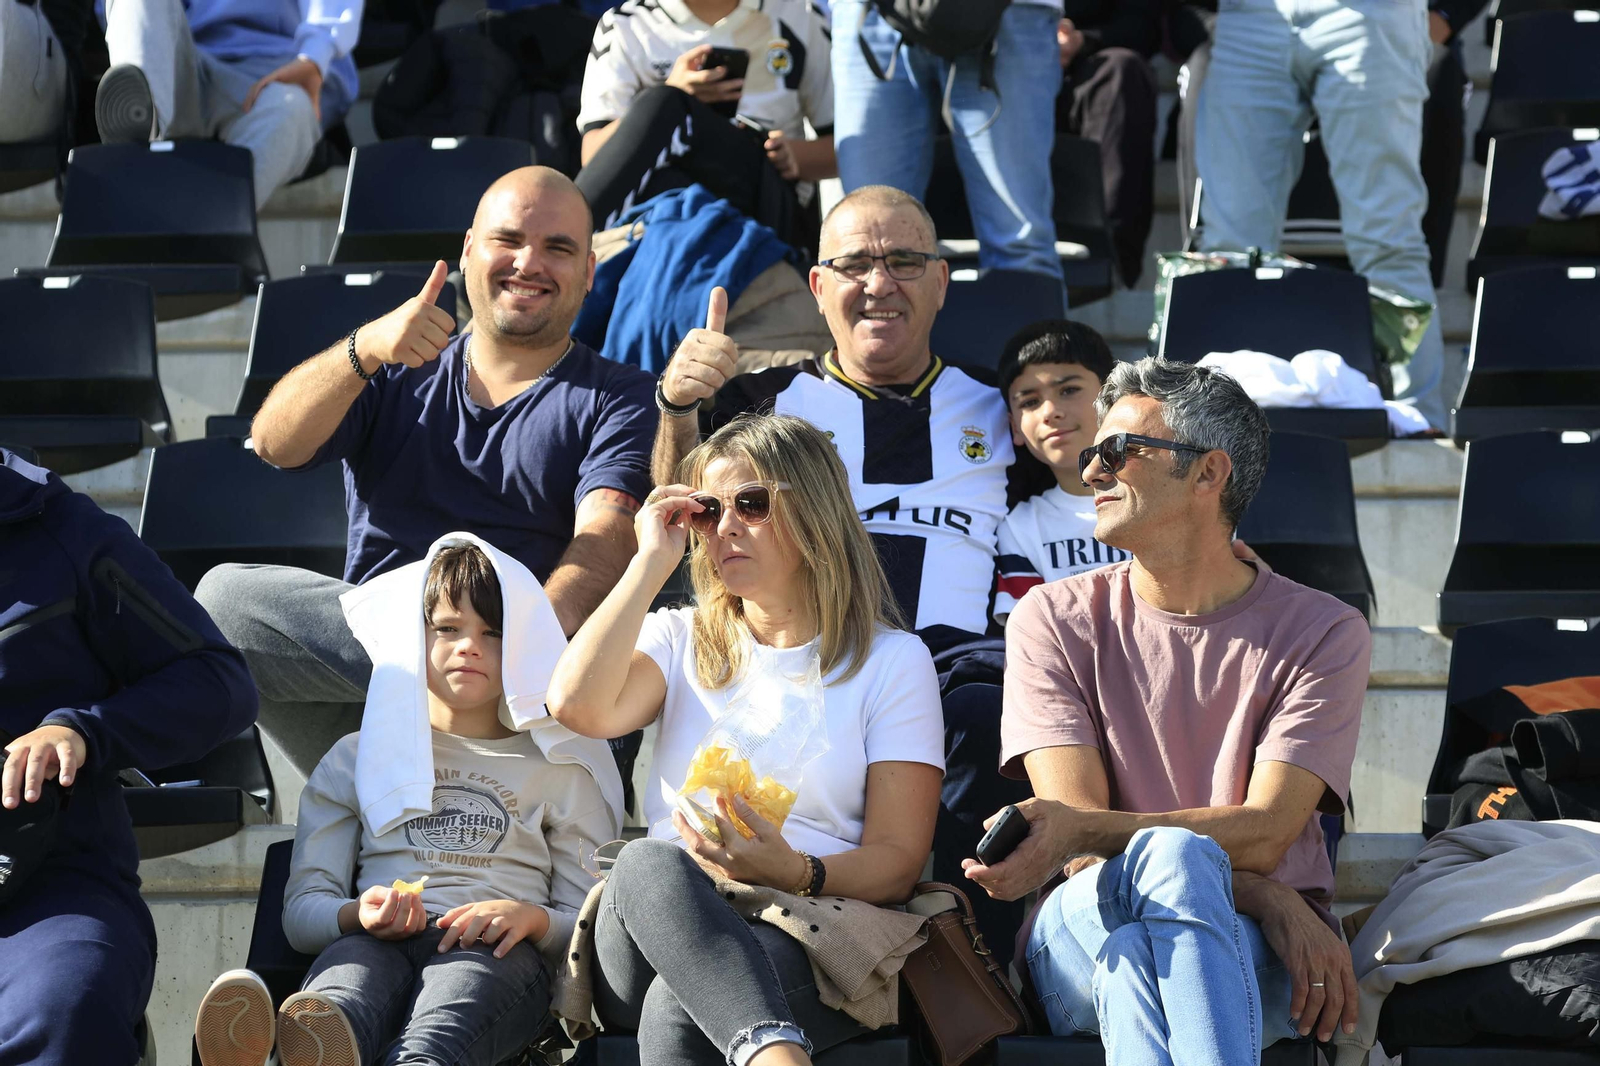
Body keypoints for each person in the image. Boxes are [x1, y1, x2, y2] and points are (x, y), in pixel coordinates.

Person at [652, 184, 1030, 964]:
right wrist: (681, 408)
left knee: (988, 712)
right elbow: (678, 508)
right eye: (856, 263)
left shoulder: (1002, 411)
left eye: (903, 261)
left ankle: (980, 977)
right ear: (819, 286)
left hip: (955, 666)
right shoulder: (766, 402)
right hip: (808, 662)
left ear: (940, 281)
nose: (880, 282)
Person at [965, 357, 1371, 1063]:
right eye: (1093, 453)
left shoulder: (1324, 631)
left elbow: (1268, 832)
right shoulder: (1050, 619)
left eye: (1118, 452)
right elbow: (1081, 857)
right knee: (1171, 869)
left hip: (1244, 948)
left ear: (1208, 474)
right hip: (1092, 922)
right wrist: (1267, 896)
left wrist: (1234, 882)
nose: (1091, 471)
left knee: (1137, 967)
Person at [195, 167, 656, 787]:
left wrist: (510, 648)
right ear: (469, 250)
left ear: (590, 272)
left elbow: (607, 535)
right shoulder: (394, 365)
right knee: (226, 600)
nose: (529, 263)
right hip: (385, 689)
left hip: (522, 713)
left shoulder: (620, 394)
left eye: (558, 248)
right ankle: (394, 770)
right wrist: (363, 349)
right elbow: (276, 443)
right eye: (509, 240)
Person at [547, 413, 945, 1066]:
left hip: (807, 922)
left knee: (682, 1010)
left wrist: (795, 870)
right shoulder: (680, 638)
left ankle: (767, 1051)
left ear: (815, 508)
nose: (726, 527)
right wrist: (649, 564)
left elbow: (898, 861)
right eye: (708, 510)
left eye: (751, 503)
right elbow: (574, 705)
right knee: (649, 860)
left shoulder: (894, 661)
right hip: (653, 922)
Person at [193, 540, 621, 1066]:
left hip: (495, 955)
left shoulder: (563, 771)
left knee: (433, 1041)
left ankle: (272, 1058)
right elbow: (302, 913)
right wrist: (356, 914)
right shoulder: (353, 759)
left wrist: (529, 919)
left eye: (493, 632)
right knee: (335, 1007)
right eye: (447, 628)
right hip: (369, 943)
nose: (469, 646)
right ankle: (286, 1048)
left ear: (525, 647)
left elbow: (589, 924)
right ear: (410, 637)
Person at [0, 447, 258, 1066]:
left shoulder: (64, 530)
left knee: (63, 1014)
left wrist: (84, 731)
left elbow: (219, 681)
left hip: (52, 885)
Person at [1194, 0, 1448, 429]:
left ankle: (1418, 420)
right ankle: (1219, 424)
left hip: (1370, 12)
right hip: (1251, 15)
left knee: (1388, 239)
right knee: (1232, 249)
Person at [830, 1, 1064, 284]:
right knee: (865, 244)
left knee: (1018, 245)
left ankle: (1032, 328)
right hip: (871, 12)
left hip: (1007, 12)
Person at [575, 0, 835, 250]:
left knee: (667, 104)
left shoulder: (800, 13)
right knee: (669, 171)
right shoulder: (625, 24)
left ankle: (565, 238)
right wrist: (675, 89)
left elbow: (844, 150)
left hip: (768, 203)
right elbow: (595, 156)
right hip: (662, 205)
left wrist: (794, 156)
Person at [95, 0, 361, 207]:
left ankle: (197, 229)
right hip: (190, 68)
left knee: (292, 110)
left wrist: (314, 57)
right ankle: (142, 123)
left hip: (278, 74)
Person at [993, 319, 1129, 625]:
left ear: (1114, 398)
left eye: (1069, 390)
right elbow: (1031, 643)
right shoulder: (1019, 529)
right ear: (1014, 427)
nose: (1050, 410)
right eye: (1029, 401)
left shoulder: (1175, 495)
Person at [1054, 1, 1160, 286]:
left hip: (1086, 67)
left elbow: (1144, 26)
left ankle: (1108, 257)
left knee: (1122, 71)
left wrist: (1082, 41)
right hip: (997, 63)